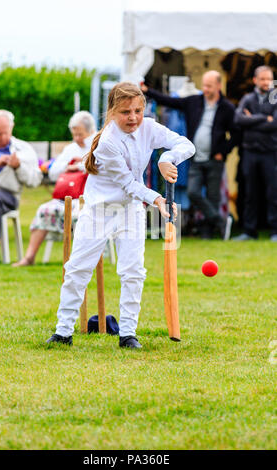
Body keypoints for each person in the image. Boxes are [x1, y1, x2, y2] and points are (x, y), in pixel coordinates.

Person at [46, 82, 195, 349]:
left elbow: (185, 144)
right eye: (126, 112)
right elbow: (128, 183)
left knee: (133, 271)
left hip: (129, 210)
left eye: (138, 110)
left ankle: (127, 334)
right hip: (99, 210)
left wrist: (167, 159)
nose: (133, 118)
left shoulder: (148, 127)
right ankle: (63, 332)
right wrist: (158, 199)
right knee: (77, 269)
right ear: (112, 112)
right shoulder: (107, 143)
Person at [141, 71, 239, 239]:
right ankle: (221, 221)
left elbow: (236, 134)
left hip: (214, 159)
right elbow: (169, 101)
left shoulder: (227, 108)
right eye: (204, 85)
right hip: (195, 158)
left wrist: (222, 152)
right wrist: (147, 90)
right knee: (193, 192)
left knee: (213, 196)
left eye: (208, 86)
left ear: (218, 86)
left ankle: (208, 233)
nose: (205, 89)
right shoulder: (194, 101)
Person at [12, 111, 97, 266]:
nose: (77, 139)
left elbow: (102, 168)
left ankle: (83, 260)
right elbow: (52, 173)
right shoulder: (71, 149)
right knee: (44, 210)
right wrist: (68, 166)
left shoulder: (99, 145)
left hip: (91, 198)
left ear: (91, 131)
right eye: (74, 135)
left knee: (82, 214)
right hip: (67, 197)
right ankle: (29, 257)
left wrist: (80, 166)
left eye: (80, 135)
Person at [0, 109, 42, 263]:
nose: (3, 137)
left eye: (6, 132)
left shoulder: (24, 149)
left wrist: (18, 166)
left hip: (7, 195)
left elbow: (34, 180)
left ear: (11, 127)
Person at [233, 66, 277, 241]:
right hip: (250, 152)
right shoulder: (247, 98)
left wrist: (251, 119)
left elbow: (275, 124)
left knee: (273, 193)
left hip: (270, 152)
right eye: (263, 79)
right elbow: (238, 119)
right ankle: (249, 231)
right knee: (250, 193)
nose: (266, 82)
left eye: (269, 79)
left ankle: (275, 231)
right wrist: (263, 118)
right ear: (255, 80)